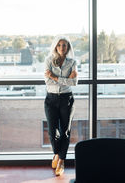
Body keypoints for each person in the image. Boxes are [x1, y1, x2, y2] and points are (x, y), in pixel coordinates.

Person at [44, 36, 77, 176]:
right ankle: (56, 153)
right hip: (51, 99)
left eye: (64, 45)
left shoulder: (72, 62)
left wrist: (55, 77)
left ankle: (61, 160)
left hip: (66, 99)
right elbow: (48, 82)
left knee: (65, 131)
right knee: (52, 131)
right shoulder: (48, 60)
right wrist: (64, 80)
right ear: (55, 47)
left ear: (68, 47)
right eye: (59, 45)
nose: (62, 47)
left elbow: (74, 82)